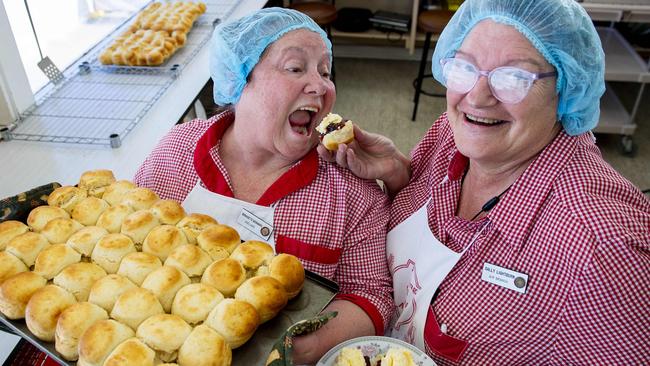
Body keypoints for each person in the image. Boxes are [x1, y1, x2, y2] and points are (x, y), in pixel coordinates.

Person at [319, 0, 650, 364]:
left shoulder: (603, 250)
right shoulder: (451, 133)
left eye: (513, 78)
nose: (476, 97)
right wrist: (399, 173)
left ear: (567, 87)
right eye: (464, 68)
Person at [134, 8, 393, 363]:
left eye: (325, 72)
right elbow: (132, 234)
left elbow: (371, 296)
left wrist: (306, 348)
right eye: (295, 68)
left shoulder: (351, 193)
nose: (320, 85)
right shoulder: (174, 152)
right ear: (240, 80)